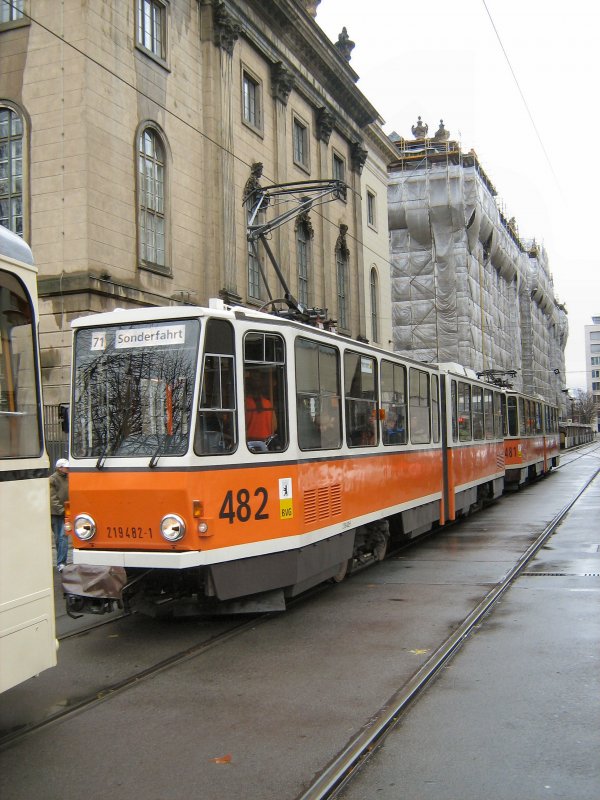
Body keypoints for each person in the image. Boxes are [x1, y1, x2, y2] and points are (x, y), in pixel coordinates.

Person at [49, 458, 69, 571]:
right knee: (59, 538)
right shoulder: (52, 479)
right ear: (60, 468)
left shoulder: (69, 478)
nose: (68, 469)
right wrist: (61, 510)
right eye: (66, 467)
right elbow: (52, 498)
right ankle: (61, 562)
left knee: (63, 537)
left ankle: (61, 562)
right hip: (56, 513)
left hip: (65, 512)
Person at [244, 373, 277, 442]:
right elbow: (274, 426)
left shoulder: (244, 403)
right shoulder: (268, 404)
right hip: (266, 443)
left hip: (249, 443)